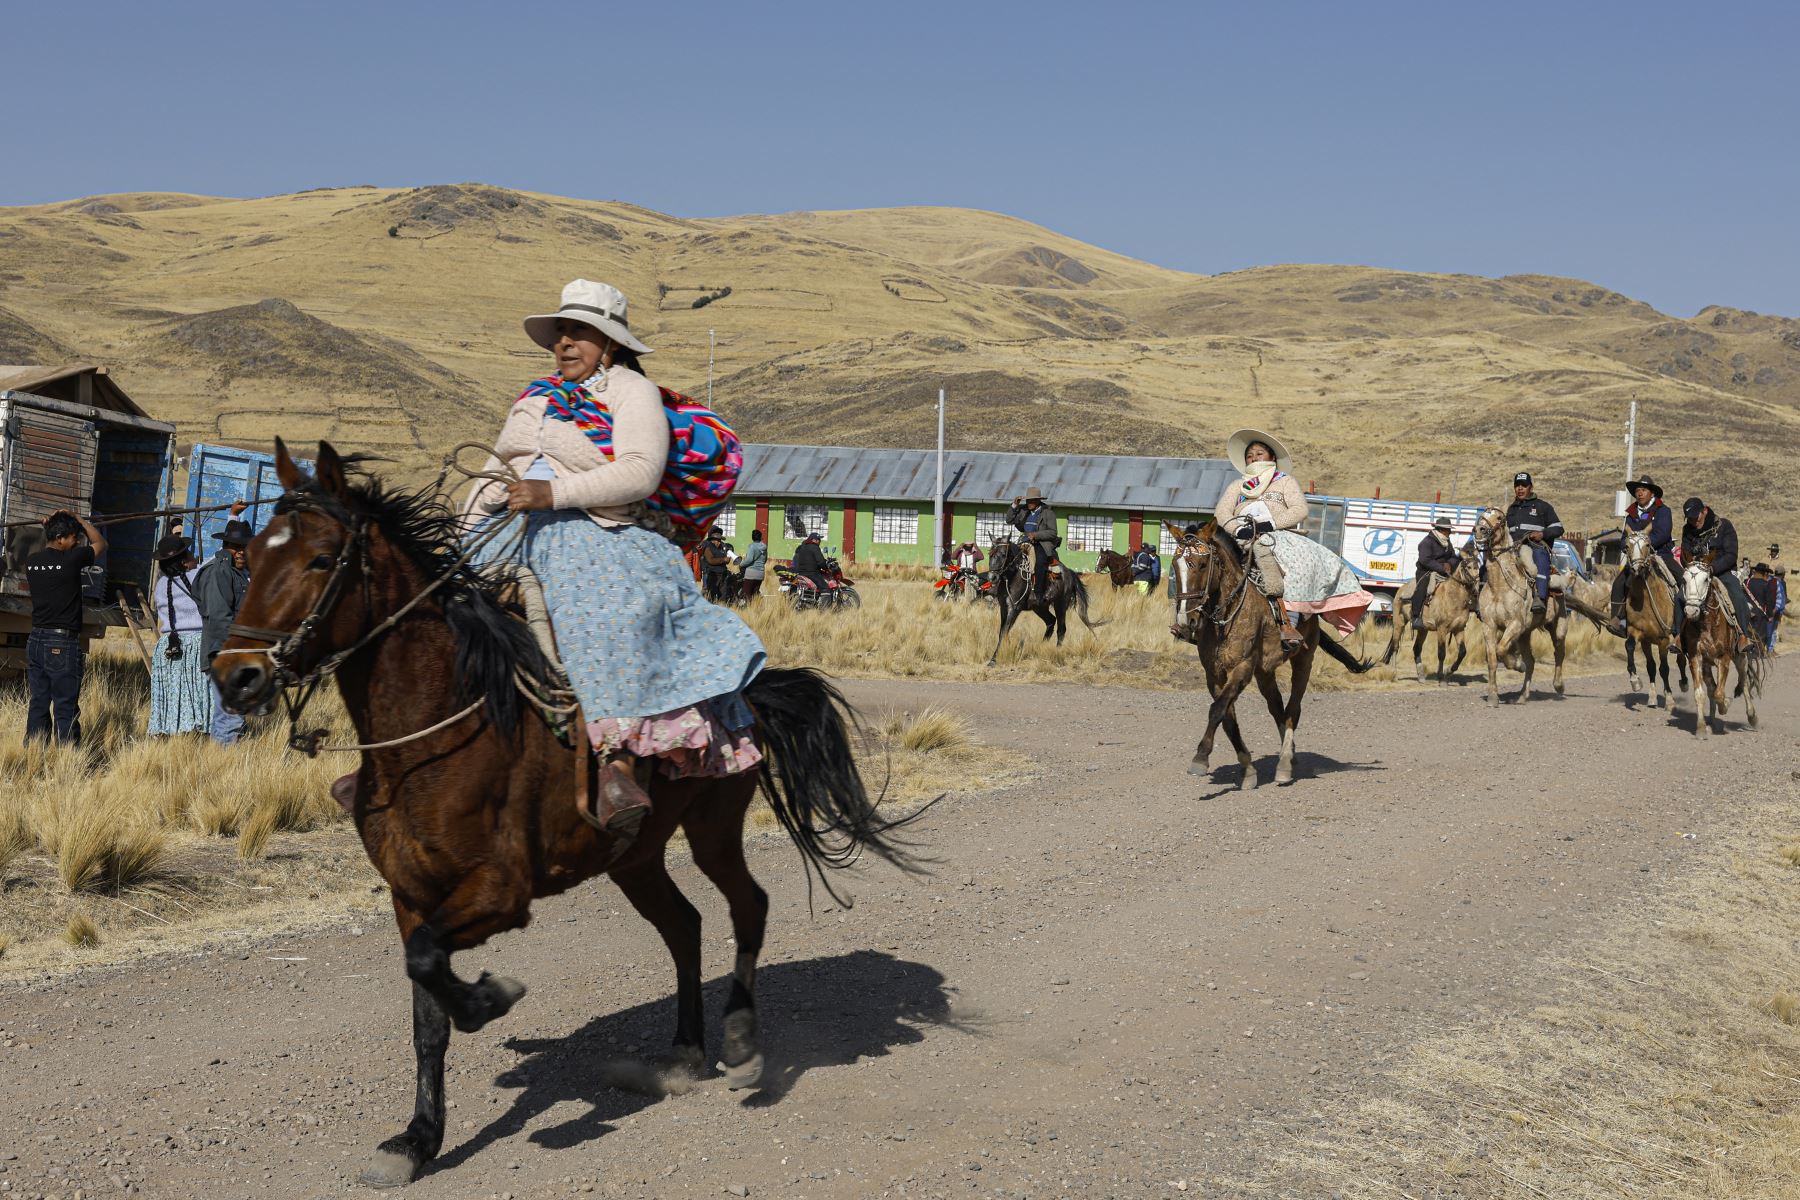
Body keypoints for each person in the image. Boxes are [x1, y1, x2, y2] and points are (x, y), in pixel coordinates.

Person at [462, 278, 766, 851]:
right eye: (560, 333)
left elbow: (639, 471)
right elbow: (493, 468)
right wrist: (465, 534)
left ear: (611, 343)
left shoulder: (630, 392)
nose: (564, 343)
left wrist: (550, 495)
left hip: (603, 531)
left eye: (579, 333)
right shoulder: (534, 397)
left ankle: (617, 760)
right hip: (510, 528)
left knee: (600, 608)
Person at [1214, 429, 1309, 648]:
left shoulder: (1284, 481)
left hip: (1276, 536)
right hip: (1241, 536)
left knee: (1268, 553)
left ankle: (1287, 622)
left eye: (1259, 454)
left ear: (1272, 458)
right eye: (1249, 456)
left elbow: (1299, 509)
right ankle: (1195, 621)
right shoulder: (1237, 486)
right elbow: (1221, 512)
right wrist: (1237, 530)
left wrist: (1270, 524)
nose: (1254, 458)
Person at [23, 509, 106, 744]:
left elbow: (47, 554)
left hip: (36, 640)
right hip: (61, 642)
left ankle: (35, 754)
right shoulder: (73, 559)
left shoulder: (32, 562)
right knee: (65, 704)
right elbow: (100, 543)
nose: (77, 541)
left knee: (38, 701)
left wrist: (50, 528)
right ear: (60, 538)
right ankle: (68, 758)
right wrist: (80, 519)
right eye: (73, 536)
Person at [196, 506, 253, 746]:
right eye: (235, 547)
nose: (240, 552)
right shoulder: (219, 572)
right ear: (225, 547)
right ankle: (221, 765)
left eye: (244, 547)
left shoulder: (237, 572)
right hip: (225, 653)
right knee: (229, 716)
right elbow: (220, 618)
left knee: (233, 712)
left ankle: (224, 761)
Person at [149, 532, 210, 736]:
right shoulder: (198, 576)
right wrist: (233, 516)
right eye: (190, 555)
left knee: (176, 693)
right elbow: (220, 559)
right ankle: (198, 731)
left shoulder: (160, 586)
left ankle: (174, 732)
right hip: (196, 645)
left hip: (168, 646)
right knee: (197, 693)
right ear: (184, 562)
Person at [1679, 497, 1758, 652]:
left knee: (1736, 594)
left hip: (1722, 572)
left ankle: (1743, 635)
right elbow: (1684, 554)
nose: (1693, 520)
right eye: (1690, 518)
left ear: (1705, 511)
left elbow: (1731, 554)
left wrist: (1712, 568)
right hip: (1698, 574)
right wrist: (1693, 567)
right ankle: (1677, 637)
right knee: (1680, 596)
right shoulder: (1687, 530)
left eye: (1696, 516)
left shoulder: (1723, 526)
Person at [1608, 475, 1679, 634]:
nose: (1639, 493)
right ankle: (1618, 620)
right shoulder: (1631, 514)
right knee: (1618, 584)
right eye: (1637, 490)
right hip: (1636, 558)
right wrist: (1630, 546)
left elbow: (1663, 533)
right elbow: (1623, 539)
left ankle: (1682, 623)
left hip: (1661, 555)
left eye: (1643, 490)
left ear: (1652, 493)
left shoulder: (1663, 511)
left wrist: (1642, 543)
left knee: (1682, 580)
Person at [1503, 471, 1563, 614]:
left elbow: (1559, 529)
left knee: (1541, 559)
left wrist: (1542, 534)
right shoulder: (1511, 509)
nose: (1520, 488)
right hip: (1513, 549)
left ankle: (1540, 598)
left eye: (1524, 485)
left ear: (1531, 487)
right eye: (1517, 485)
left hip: (1536, 547)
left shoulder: (1543, 507)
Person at [1005, 487, 1061, 601]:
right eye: (1028, 500)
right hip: (1024, 542)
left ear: (1038, 501)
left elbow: (1053, 533)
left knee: (1039, 562)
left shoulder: (1047, 513)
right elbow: (1009, 520)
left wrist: (1036, 535)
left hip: (1041, 544)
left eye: (1031, 501)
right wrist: (1014, 505)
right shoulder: (1024, 511)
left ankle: (1039, 593)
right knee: (1007, 557)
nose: (1029, 503)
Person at [1407, 515, 1461, 630]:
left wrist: (1449, 564)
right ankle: (1416, 617)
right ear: (1442, 530)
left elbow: (1453, 556)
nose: (1450, 532)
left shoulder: (1447, 542)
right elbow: (1425, 560)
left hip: (1444, 571)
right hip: (1426, 571)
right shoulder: (1426, 542)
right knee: (1422, 588)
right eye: (1448, 530)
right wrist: (1442, 567)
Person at [1747, 563, 1779, 650]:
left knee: (1747, 636)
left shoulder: (1747, 582)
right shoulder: (1766, 584)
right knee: (1759, 639)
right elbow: (1769, 602)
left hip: (1747, 613)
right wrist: (1770, 616)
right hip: (1760, 616)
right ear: (1765, 573)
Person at [791, 529, 831, 593]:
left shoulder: (802, 547)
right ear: (813, 540)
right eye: (818, 539)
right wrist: (826, 568)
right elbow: (820, 561)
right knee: (825, 587)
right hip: (812, 573)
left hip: (801, 572)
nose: (819, 541)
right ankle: (824, 603)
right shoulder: (815, 547)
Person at [698, 526, 732, 601]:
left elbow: (726, 559)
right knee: (708, 592)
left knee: (722, 594)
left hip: (722, 574)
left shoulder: (722, 547)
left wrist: (728, 558)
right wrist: (723, 559)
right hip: (711, 574)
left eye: (720, 540)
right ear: (713, 540)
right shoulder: (708, 547)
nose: (720, 542)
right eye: (718, 540)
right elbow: (710, 560)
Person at [738, 528, 768, 602]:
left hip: (751, 573)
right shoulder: (764, 547)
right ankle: (756, 609)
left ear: (752, 537)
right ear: (760, 537)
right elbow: (765, 560)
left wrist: (741, 564)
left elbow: (749, 560)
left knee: (747, 593)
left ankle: (748, 609)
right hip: (760, 573)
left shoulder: (752, 546)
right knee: (755, 593)